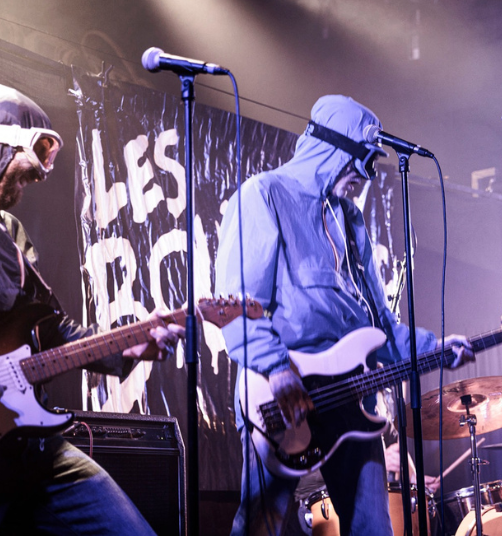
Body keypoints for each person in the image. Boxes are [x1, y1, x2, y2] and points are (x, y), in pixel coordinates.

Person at [215, 94, 473, 536]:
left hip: (353, 399)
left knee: (373, 527)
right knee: (262, 525)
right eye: (364, 161)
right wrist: (277, 369)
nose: (365, 176)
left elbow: (379, 326)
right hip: (283, 395)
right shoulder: (265, 195)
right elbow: (236, 305)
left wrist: (433, 347)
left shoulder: (351, 221)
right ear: (332, 148)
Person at [0, 84, 185, 535]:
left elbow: (50, 331)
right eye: (21, 176)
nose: (23, 190)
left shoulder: (8, 235)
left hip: (30, 442)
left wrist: (128, 345)